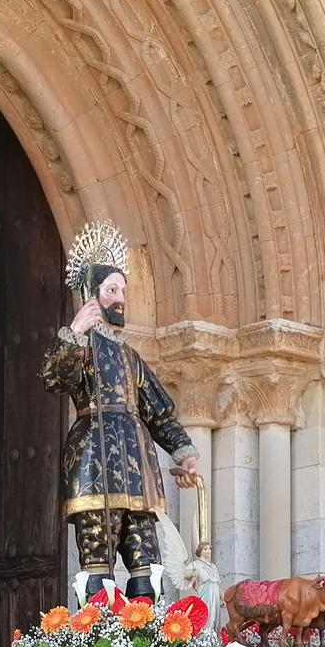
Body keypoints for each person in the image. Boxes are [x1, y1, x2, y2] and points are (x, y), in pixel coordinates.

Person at [41, 219, 201, 602]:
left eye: (123, 290)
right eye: (111, 290)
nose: (120, 298)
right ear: (91, 295)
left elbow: (159, 413)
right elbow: (56, 379)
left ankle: (145, 638)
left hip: (138, 467)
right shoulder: (79, 347)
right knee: (97, 554)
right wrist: (74, 333)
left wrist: (186, 453)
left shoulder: (131, 358)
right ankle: (97, 639)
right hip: (93, 461)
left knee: (146, 556)